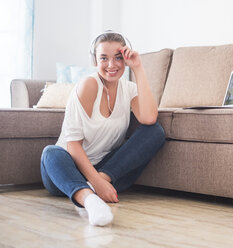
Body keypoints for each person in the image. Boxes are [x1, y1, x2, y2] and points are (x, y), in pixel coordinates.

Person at [40, 31, 165, 226]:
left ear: (125, 59)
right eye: (103, 58)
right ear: (95, 61)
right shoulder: (89, 85)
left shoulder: (129, 88)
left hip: (106, 172)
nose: (111, 65)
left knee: (155, 132)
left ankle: (90, 188)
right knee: (51, 153)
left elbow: (149, 118)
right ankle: (90, 200)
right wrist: (98, 184)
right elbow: (73, 145)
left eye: (118, 58)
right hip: (66, 171)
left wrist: (138, 68)